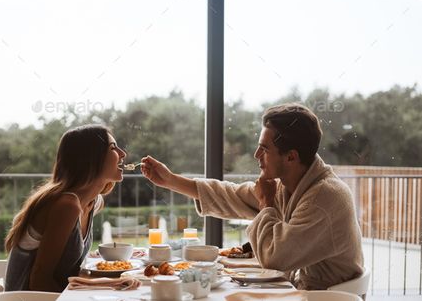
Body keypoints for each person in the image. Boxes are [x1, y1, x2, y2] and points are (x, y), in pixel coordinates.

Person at [141, 103, 364, 290]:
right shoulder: (292, 185)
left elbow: (275, 258)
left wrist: (267, 204)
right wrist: (170, 180)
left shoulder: (324, 197)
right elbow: (231, 195)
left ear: (291, 157)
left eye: (264, 149)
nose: (257, 155)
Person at [4, 124, 127, 292]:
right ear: (91, 157)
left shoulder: (93, 202)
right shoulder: (66, 206)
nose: (123, 154)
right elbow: (39, 281)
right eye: (113, 148)